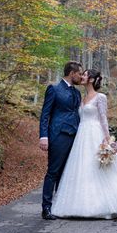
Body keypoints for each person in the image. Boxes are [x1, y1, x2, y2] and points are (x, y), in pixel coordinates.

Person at [51, 69, 117, 219]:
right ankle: (80, 205)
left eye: (84, 74)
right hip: (81, 137)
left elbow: (103, 118)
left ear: (91, 79)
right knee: (82, 169)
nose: (81, 76)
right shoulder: (81, 97)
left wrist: (108, 139)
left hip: (95, 134)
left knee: (100, 168)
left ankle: (108, 204)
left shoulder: (100, 97)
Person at [39, 61, 84, 220]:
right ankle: (46, 208)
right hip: (58, 135)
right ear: (72, 73)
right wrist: (43, 136)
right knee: (53, 171)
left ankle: (60, 206)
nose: (80, 76)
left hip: (76, 136)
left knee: (67, 172)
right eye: (79, 73)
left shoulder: (77, 93)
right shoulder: (54, 89)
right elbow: (45, 114)